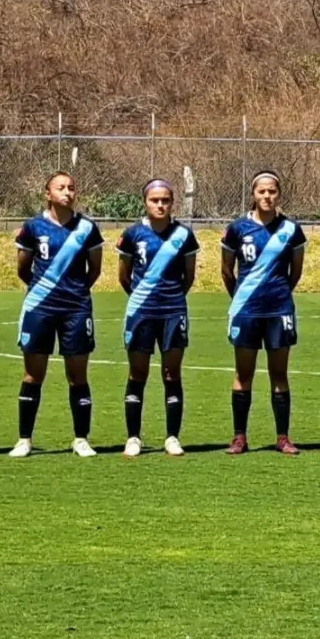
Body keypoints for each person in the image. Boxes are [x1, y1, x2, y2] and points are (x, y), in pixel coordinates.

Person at [11, 171, 104, 458]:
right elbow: (23, 269)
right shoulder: (32, 227)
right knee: (32, 374)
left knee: (77, 375)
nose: (67, 192)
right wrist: (44, 291)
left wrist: (74, 292)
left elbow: (95, 270)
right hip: (39, 308)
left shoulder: (87, 229)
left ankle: (80, 438)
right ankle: (25, 439)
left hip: (76, 309)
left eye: (72, 188)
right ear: (47, 193)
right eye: (60, 187)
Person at [221, 170, 307, 456]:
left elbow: (295, 272)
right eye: (262, 191)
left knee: (278, 373)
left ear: (278, 194)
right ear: (253, 194)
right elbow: (226, 270)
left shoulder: (291, 230)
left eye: (272, 191)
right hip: (246, 311)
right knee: (243, 372)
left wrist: (278, 294)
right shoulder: (237, 229)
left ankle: (282, 437)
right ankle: (239, 437)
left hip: (279, 309)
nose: (267, 196)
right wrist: (242, 299)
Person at [117, 179, 199, 458]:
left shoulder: (184, 235)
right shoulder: (132, 234)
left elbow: (189, 276)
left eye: (165, 200)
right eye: (155, 200)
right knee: (137, 373)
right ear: (145, 202)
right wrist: (142, 298)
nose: (160, 205)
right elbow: (123, 276)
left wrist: (171, 299)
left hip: (173, 312)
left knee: (171, 373)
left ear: (172, 202)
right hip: (140, 312)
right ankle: (133, 438)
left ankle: (172, 437)